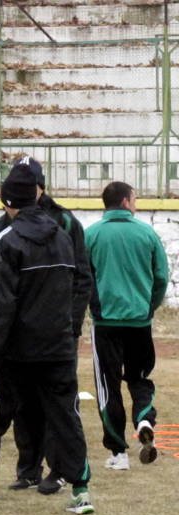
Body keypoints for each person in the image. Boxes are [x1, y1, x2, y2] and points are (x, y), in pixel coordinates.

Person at [0, 164, 94, 515]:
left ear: (7, 202)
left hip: (16, 351)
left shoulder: (7, 240)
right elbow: (76, 287)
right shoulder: (63, 235)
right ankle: (81, 490)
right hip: (59, 347)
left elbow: (3, 303)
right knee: (66, 417)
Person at [86, 181, 168, 469]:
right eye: (134, 199)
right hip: (139, 322)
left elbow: (82, 277)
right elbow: (161, 277)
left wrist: (93, 305)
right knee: (140, 377)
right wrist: (149, 306)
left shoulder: (91, 235)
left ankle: (118, 453)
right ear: (124, 202)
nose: (136, 204)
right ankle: (144, 418)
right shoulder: (147, 233)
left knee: (108, 386)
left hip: (105, 322)